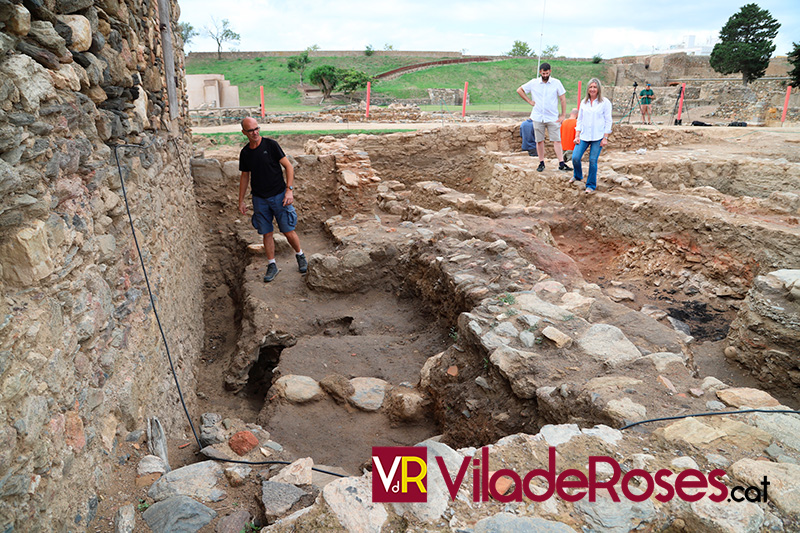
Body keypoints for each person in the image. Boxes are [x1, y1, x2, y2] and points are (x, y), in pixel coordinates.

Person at [238, 117, 308, 282]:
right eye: (251, 130)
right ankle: (272, 265)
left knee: (287, 230)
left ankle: (300, 255)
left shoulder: (271, 145)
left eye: (257, 128)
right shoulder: (245, 152)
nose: (255, 132)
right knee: (266, 233)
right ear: (244, 133)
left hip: (279, 196)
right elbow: (244, 176)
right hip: (259, 199)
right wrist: (241, 200)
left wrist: (289, 191)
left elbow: (288, 166)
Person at [516, 62, 569, 172]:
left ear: (550, 71)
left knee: (557, 140)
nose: (545, 75)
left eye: (547, 73)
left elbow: (563, 99)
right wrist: (529, 101)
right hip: (538, 116)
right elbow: (519, 90)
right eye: (543, 73)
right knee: (539, 140)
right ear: (540, 72)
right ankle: (541, 162)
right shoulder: (534, 83)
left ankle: (561, 162)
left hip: (552, 117)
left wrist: (563, 115)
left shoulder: (556, 83)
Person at [569, 78, 612, 195]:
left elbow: (608, 120)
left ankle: (590, 185)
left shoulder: (605, 102)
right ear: (587, 89)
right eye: (590, 87)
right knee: (575, 157)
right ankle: (578, 176)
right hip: (584, 135)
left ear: (598, 89)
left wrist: (605, 137)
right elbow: (580, 119)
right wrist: (577, 135)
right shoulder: (584, 102)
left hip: (598, 136)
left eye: (595, 87)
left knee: (593, 160)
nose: (592, 89)